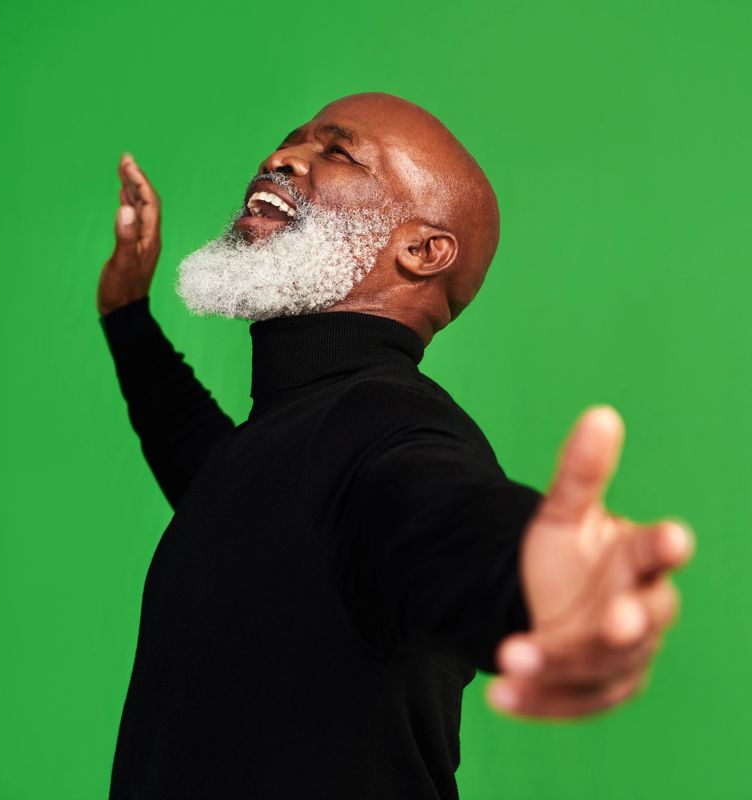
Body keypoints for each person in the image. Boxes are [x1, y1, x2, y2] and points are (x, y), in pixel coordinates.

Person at [97, 92, 694, 799]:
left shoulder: (388, 423)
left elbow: (439, 517)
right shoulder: (288, 440)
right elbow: (216, 478)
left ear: (421, 250)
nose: (280, 157)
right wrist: (127, 316)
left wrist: (537, 579)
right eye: (293, 139)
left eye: (337, 151)